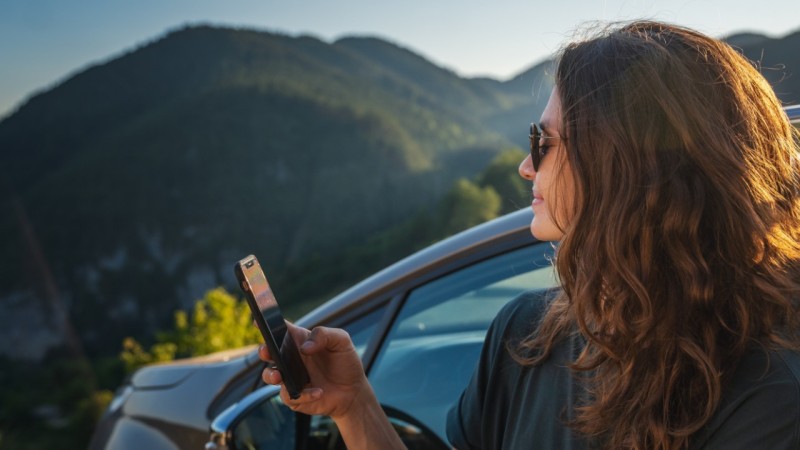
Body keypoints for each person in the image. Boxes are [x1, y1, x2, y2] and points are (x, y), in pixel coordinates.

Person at [259, 21, 800, 449]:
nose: (525, 166)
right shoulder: (525, 336)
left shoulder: (770, 397)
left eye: (543, 141)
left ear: (625, 166)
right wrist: (355, 407)